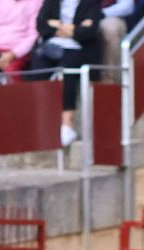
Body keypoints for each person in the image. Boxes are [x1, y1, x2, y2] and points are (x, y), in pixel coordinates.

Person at [31, 0, 101, 146]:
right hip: (52, 47)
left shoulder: (91, 2)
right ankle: (37, 121)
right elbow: (41, 24)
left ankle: (67, 124)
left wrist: (57, 25)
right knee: (37, 67)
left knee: (67, 70)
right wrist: (74, 28)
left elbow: (90, 30)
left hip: (79, 49)